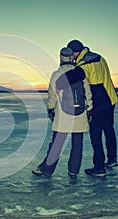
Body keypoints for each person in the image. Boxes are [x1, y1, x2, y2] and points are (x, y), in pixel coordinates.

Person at [56, 39, 118, 177]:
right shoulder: (99, 57)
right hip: (111, 98)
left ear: (76, 53)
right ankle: (112, 159)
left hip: (99, 104)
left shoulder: (84, 65)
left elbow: (63, 81)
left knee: (95, 136)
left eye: (72, 55)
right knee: (109, 129)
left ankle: (99, 168)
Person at [32, 47, 92, 179]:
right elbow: (88, 94)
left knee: (57, 144)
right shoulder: (80, 73)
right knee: (77, 144)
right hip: (80, 114)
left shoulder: (56, 74)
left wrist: (50, 109)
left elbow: (52, 95)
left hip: (63, 115)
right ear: (71, 58)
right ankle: (73, 172)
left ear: (61, 58)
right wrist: (90, 109)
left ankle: (47, 170)